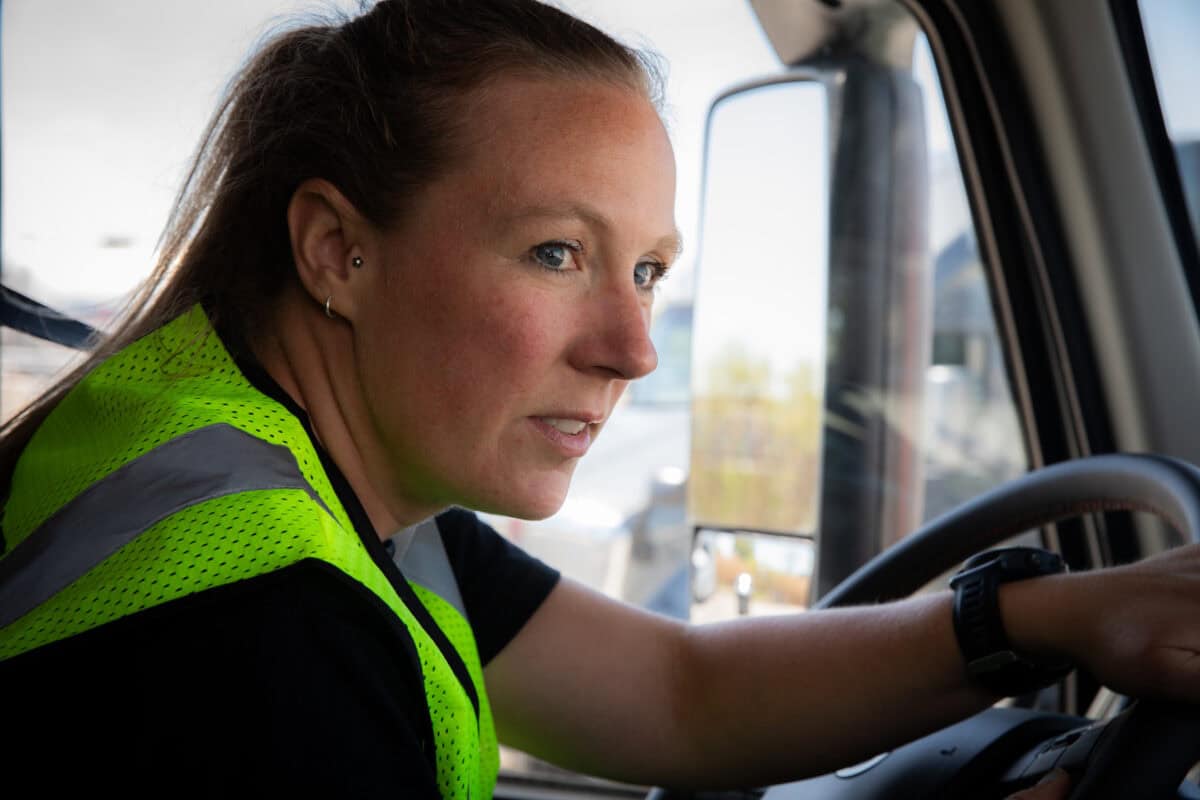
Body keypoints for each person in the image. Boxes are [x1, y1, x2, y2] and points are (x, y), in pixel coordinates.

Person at [0, 1, 1196, 797]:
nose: (633, 350)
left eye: (649, 270)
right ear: (336, 250)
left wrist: (1044, 619)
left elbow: (680, 693)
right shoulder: (260, 635)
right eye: (556, 253)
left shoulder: (310, 481)